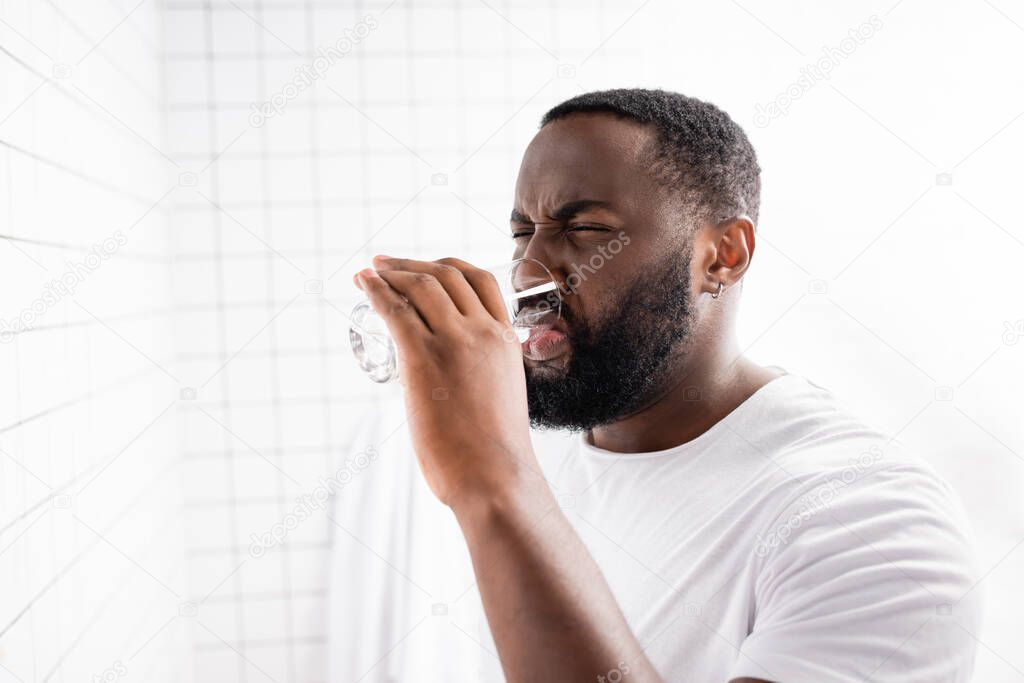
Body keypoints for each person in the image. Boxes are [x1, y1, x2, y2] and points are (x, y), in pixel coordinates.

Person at [332, 88, 981, 682]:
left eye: (585, 229)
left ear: (722, 255)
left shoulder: (869, 518)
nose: (529, 268)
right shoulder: (541, 433)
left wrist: (495, 484)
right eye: (522, 232)